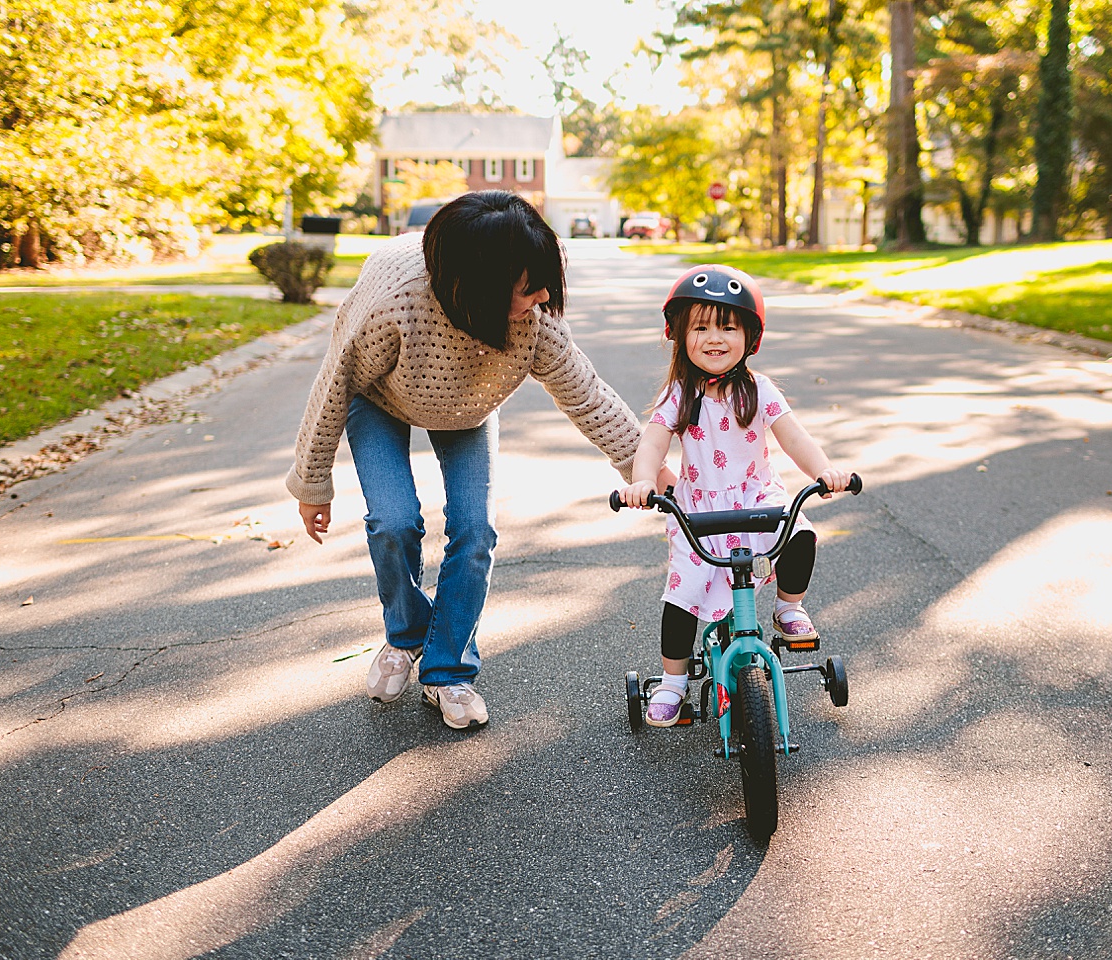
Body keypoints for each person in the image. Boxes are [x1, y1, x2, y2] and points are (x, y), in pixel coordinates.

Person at [287, 191, 646, 730]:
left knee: (475, 530)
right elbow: (335, 383)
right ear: (475, 287)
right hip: (379, 399)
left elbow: (588, 395)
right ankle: (406, 637)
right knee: (393, 520)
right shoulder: (396, 304)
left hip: (467, 409)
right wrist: (313, 483)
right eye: (528, 287)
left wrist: (645, 466)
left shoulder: (534, 322)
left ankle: (447, 669)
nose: (543, 296)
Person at [617, 264, 852, 728]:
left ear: (751, 337)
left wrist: (824, 470)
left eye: (728, 327)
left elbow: (794, 437)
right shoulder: (680, 393)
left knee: (800, 533)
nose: (714, 337)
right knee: (681, 596)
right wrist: (642, 481)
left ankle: (789, 608)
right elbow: (652, 443)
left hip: (757, 500)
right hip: (701, 508)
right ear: (679, 335)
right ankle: (673, 681)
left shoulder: (759, 390)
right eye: (700, 327)